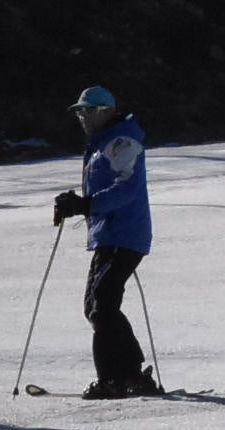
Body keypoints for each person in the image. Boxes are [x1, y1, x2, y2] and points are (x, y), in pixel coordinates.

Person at [50, 86, 161, 399]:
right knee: (97, 306)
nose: (82, 117)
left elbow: (127, 189)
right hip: (111, 234)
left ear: (105, 111)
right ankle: (132, 375)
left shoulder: (122, 141)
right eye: (79, 112)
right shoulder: (103, 143)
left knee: (101, 305)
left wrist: (85, 205)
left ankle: (114, 379)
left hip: (124, 234)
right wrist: (77, 203)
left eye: (87, 111)